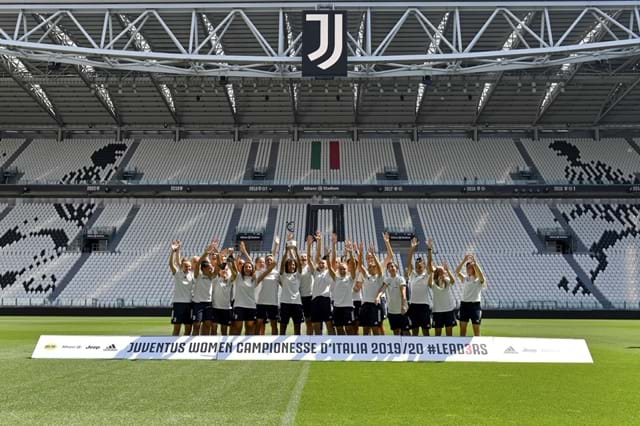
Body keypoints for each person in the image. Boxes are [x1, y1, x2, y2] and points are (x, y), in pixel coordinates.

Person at [229, 252, 276, 336]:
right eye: (246, 266)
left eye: (250, 267)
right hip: (239, 306)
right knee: (237, 328)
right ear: (243, 268)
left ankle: (247, 348)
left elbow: (265, 273)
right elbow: (234, 267)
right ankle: (235, 347)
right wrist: (235, 256)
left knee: (250, 329)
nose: (248, 268)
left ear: (252, 269)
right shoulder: (238, 276)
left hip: (251, 307)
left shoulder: (255, 279)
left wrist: (271, 266)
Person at [307, 231, 336, 335]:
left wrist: (332, 245)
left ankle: (332, 344)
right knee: (315, 324)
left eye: (323, 263)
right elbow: (311, 259)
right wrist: (311, 245)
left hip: (325, 300)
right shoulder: (315, 272)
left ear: (327, 264)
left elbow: (331, 261)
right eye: (319, 263)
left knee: (329, 323)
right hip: (315, 300)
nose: (321, 264)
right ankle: (318, 343)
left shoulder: (329, 272)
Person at [406, 237, 432, 336]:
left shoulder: (426, 275)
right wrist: (412, 248)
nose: (418, 268)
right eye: (416, 267)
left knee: (426, 331)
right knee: (415, 331)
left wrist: (429, 249)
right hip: (413, 306)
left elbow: (430, 263)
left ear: (424, 267)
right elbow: (408, 262)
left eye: (420, 267)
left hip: (424, 306)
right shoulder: (412, 274)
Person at [429, 242, 457, 336]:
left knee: (449, 333)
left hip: (448, 309)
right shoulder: (433, 281)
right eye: (440, 270)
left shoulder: (447, 280)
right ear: (437, 272)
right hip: (437, 310)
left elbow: (453, 281)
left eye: (442, 270)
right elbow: (429, 284)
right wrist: (432, 272)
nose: (442, 271)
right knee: (438, 333)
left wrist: (448, 271)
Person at [456, 254, 487, 336]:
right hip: (464, 304)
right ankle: (462, 347)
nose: (468, 269)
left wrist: (475, 264)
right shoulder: (465, 278)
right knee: (462, 329)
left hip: (475, 305)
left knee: (476, 328)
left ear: (474, 269)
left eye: (470, 267)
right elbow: (457, 271)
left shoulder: (478, 279)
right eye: (467, 268)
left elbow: (481, 276)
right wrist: (464, 260)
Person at [377, 256, 409, 336]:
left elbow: (403, 294)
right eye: (389, 267)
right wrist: (378, 297)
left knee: (406, 331)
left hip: (401, 310)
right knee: (396, 332)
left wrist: (403, 306)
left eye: (392, 266)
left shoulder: (400, 279)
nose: (391, 268)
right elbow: (382, 289)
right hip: (392, 311)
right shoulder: (387, 280)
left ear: (396, 268)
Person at [332, 241, 359, 335]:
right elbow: (330, 266)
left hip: (348, 307)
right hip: (337, 307)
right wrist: (328, 257)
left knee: (349, 329)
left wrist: (351, 253)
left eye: (344, 269)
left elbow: (354, 265)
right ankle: (342, 347)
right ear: (338, 270)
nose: (343, 270)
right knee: (339, 328)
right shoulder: (336, 277)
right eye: (341, 269)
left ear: (347, 270)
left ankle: (352, 346)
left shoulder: (350, 278)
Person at [256, 237, 281, 335]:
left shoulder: (277, 273)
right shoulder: (261, 271)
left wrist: (276, 245)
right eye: (267, 260)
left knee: (274, 325)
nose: (269, 261)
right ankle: (256, 343)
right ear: (265, 262)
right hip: (261, 302)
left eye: (271, 260)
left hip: (273, 303)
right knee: (259, 323)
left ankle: (274, 345)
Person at [358, 243, 384, 336]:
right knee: (365, 328)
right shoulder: (366, 276)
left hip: (375, 305)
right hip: (365, 305)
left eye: (373, 267)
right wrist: (360, 253)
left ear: (376, 268)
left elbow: (380, 268)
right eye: (369, 267)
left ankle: (376, 347)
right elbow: (360, 265)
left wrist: (373, 255)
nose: (371, 268)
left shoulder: (379, 277)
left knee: (375, 328)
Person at [168, 240, 194, 336]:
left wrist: (178, 250)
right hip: (178, 304)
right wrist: (173, 252)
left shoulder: (192, 275)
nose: (187, 268)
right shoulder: (178, 273)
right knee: (176, 328)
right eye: (186, 266)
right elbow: (171, 264)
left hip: (189, 304)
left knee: (188, 329)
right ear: (182, 266)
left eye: (189, 266)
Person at [279, 241, 304, 335]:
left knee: (297, 327)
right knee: (283, 327)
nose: (291, 266)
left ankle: (297, 346)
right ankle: (281, 346)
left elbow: (300, 265)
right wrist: (286, 251)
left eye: (293, 264)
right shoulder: (283, 275)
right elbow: (282, 263)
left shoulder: (297, 275)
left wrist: (296, 252)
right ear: (287, 266)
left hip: (297, 303)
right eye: (289, 264)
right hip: (285, 303)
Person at [192, 242, 217, 335]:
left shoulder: (212, 276)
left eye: (211, 268)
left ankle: (204, 342)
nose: (211, 270)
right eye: (209, 268)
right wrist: (206, 253)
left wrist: (217, 255)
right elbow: (198, 263)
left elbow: (217, 268)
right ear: (203, 269)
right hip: (198, 303)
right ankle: (194, 342)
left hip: (208, 303)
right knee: (197, 324)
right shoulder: (198, 275)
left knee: (207, 324)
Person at [211, 253, 233, 336]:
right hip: (215, 307)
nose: (224, 270)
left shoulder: (230, 280)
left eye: (226, 269)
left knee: (224, 330)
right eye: (222, 269)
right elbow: (219, 266)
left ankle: (222, 347)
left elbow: (233, 272)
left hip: (226, 308)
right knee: (213, 329)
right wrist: (218, 256)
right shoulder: (215, 279)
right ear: (219, 271)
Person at [301, 236, 315, 335]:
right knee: (302, 321)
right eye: (302, 258)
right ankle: (305, 339)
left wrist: (309, 246)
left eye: (305, 258)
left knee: (310, 320)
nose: (304, 259)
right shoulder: (296, 268)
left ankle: (311, 339)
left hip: (310, 296)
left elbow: (310, 257)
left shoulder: (310, 267)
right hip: (299, 297)